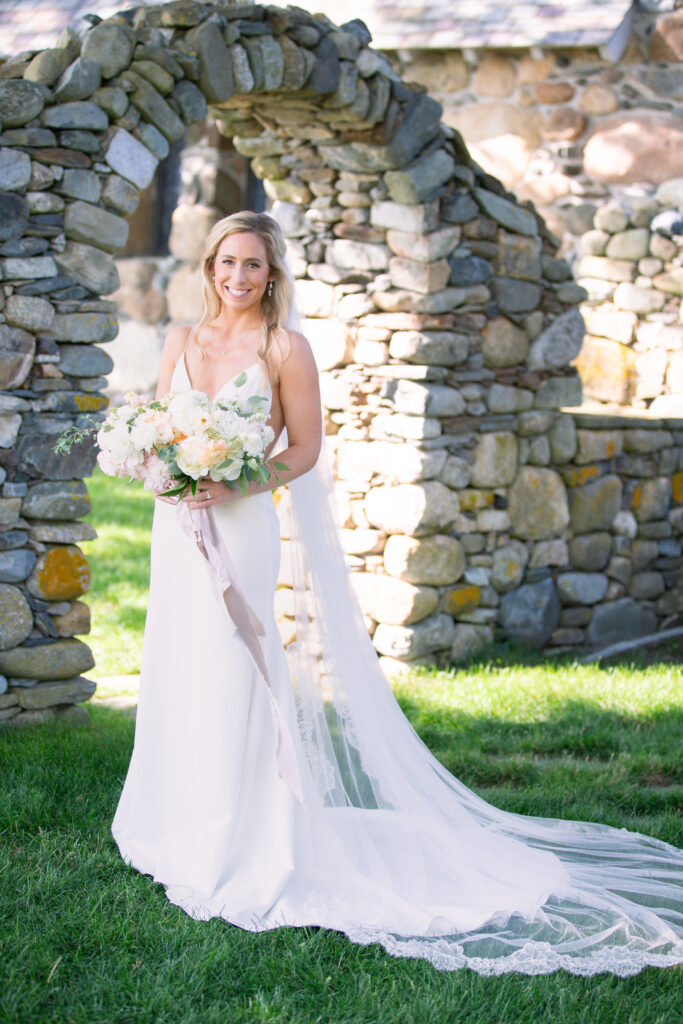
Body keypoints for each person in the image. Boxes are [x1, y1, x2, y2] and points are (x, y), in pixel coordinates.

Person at [112, 211, 683, 976]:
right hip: (177, 529)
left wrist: (236, 478)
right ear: (208, 267)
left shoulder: (286, 349)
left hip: (240, 525)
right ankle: (169, 819)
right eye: (226, 263)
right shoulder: (180, 341)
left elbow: (305, 450)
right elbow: (158, 428)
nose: (238, 278)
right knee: (177, 662)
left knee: (232, 669)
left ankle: (239, 834)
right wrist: (167, 469)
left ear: (271, 275)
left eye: (252, 266)